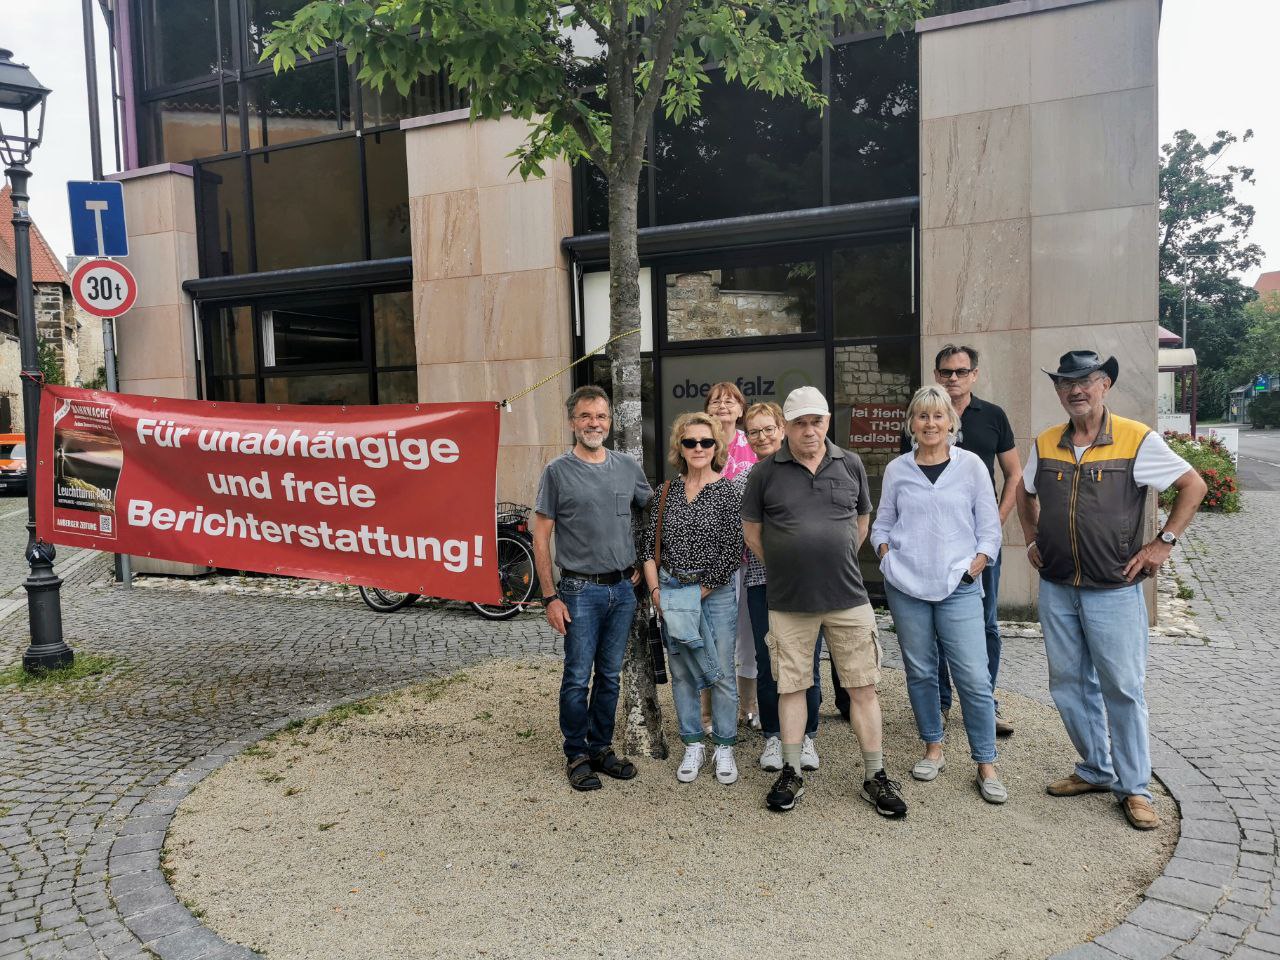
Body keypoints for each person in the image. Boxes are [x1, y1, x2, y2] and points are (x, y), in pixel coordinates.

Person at [1017, 350, 1206, 830]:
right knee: (1068, 685)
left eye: (1086, 380)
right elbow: (1025, 490)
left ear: (1105, 385)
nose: (1075, 390)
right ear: (1058, 390)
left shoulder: (1135, 437)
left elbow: (1193, 485)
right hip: (1058, 586)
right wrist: (1032, 537)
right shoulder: (1046, 441)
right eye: (1066, 383)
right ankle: (1096, 769)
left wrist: (1163, 543)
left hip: (1114, 588)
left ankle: (1135, 787)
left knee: (1122, 688)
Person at [742, 386, 907, 818]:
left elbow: (862, 520)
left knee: (862, 687)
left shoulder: (850, 463)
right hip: (788, 600)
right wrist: (785, 565)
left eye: (816, 421)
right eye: (800, 423)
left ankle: (875, 774)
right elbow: (752, 532)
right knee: (792, 685)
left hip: (847, 596)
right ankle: (791, 770)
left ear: (827, 421)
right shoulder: (764, 473)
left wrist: (835, 558)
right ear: (786, 427)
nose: (809, 430)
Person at [872, 385, 1007, 804]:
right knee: (921, 671)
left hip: (958, 586)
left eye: (938, 416)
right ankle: (933, 746)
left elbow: (989, 528)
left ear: (951, 422)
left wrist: (976, 564)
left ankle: (986, 762)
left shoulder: (970, 467)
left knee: (974, 678)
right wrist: (885, 554)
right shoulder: (897, 470)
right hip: (906, 586)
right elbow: (882, 523)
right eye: (922, 416)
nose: (930, 423)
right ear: (911, 423)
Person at [890, 345, 1021, 737]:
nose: (954, 377)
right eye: (946, 371)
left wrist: (990, 530)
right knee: (935, 630)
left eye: (961, 371)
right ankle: (942, 704)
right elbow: (906, 489)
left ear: (974, 375)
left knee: (985, 624)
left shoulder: (993, 416)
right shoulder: (922, 420)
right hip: (931, 550)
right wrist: (886, 551)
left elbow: (1014, 474)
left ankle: (985, 701)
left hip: (977, 548)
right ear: (937, 374)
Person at [533, 386, 653, 792]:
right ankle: (577, 754)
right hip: (579, 590)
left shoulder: (627, 467)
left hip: (623, 590)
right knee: (576, 676)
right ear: (573, 422)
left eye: (600, 416)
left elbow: (652, 512)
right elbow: (540, 537)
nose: (594, 423)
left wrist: (644, 563)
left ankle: (601, 748)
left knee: (610, 677)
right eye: (585, 416)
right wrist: (550, 597)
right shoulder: (557, 472)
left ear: (610, 422)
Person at [641, 411, 746, 784]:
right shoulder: (665, 492)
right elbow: (648, 548)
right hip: (670, 591)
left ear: (716, 446)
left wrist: (695, 595)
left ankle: (724, 745)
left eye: (706, 441)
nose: (698, 448)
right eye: (690, 442)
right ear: (680, 447)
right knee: (683, 672)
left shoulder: (728, 493)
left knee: (721, 672)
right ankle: (692, 743)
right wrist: (657, 593)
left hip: (714, 595)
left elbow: (732, 552)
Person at [741, 402, 823, 773]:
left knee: (807, 661)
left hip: (808, 583)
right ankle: (773, 736)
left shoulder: (807, 469)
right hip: (762, 582)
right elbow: (747, 533)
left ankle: (807, 736)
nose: (761, 437)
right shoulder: (747, 477)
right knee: (767, 660)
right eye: (753, 431)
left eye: (768, 429)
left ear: (782, 429)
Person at [705, 382, 760, 731]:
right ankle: (710, 711)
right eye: (716, 401)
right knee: (714, 634)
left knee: (749, 633)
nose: (723, 406)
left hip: (751, 557)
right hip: (714, 557)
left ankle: (748, 706)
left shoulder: (752, 444)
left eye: (730, 401)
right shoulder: (700, 443)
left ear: (741, 409)